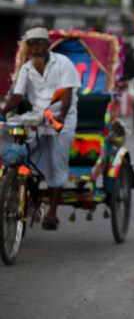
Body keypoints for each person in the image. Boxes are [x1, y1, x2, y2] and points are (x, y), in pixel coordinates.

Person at [1, 27, 80, 231]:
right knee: (12, 138)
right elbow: (17, 97)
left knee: (56, 160)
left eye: (39, 45)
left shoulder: (63, 64)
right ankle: (17, 183)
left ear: (47, 46)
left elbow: (66, 96)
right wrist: (3, 112)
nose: (36, 50)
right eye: (32, 46)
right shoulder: (26, 68)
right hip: (37, 117)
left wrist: (60, 118)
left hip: (62, 117)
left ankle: (52, 212)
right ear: (28, 49)